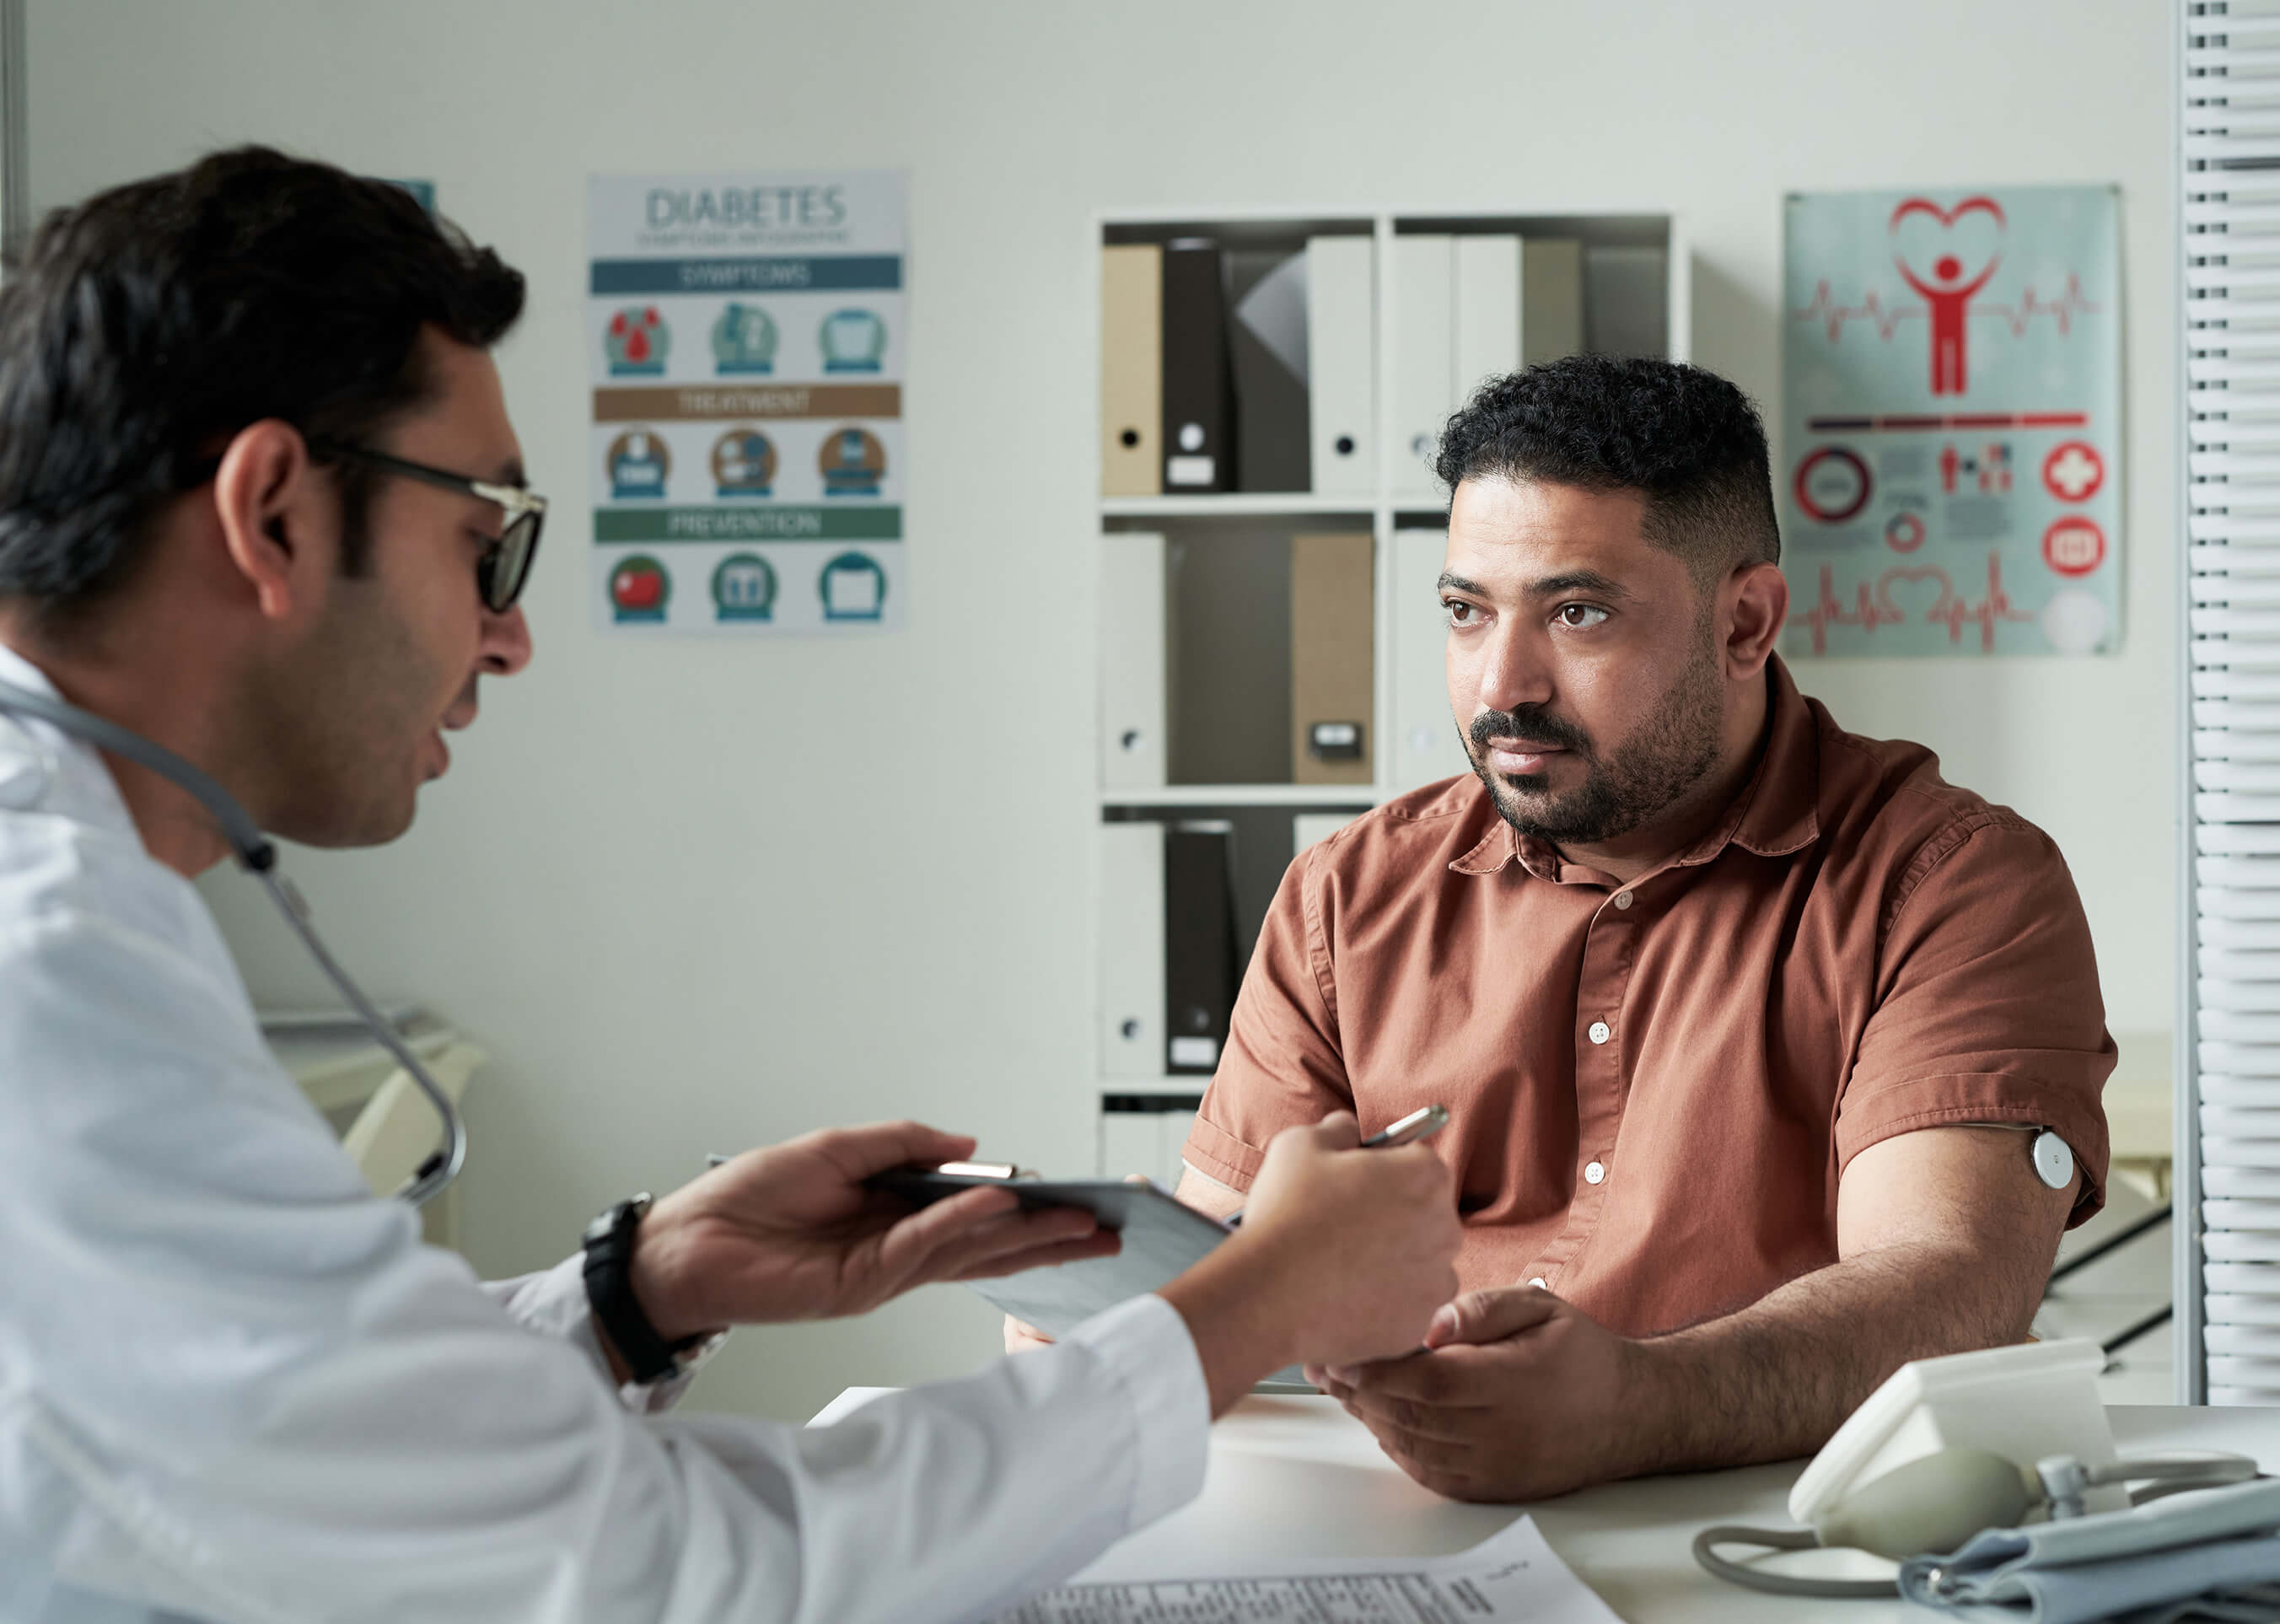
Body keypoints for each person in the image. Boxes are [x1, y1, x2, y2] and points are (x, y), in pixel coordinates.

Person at [0, 148, 1462, 1622]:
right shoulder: (47, 974)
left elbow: (328, 1439)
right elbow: (650, 1573)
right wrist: (1253, 1302)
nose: (508, 641)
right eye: (483, 540)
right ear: (272, 515)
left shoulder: (66, 915)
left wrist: (638, 1290)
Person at [1024, 355, 2116, 1502]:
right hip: (1392, 1529)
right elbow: (1225, 1272)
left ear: (1744, 620)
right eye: (1464, 612)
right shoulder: (1344, 898)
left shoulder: (1950, 884)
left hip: (1763, 1541)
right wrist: (1121, 1325)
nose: (1503, 684)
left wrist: (1638, 1405)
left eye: (1576, 612)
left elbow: (1945, 1285)